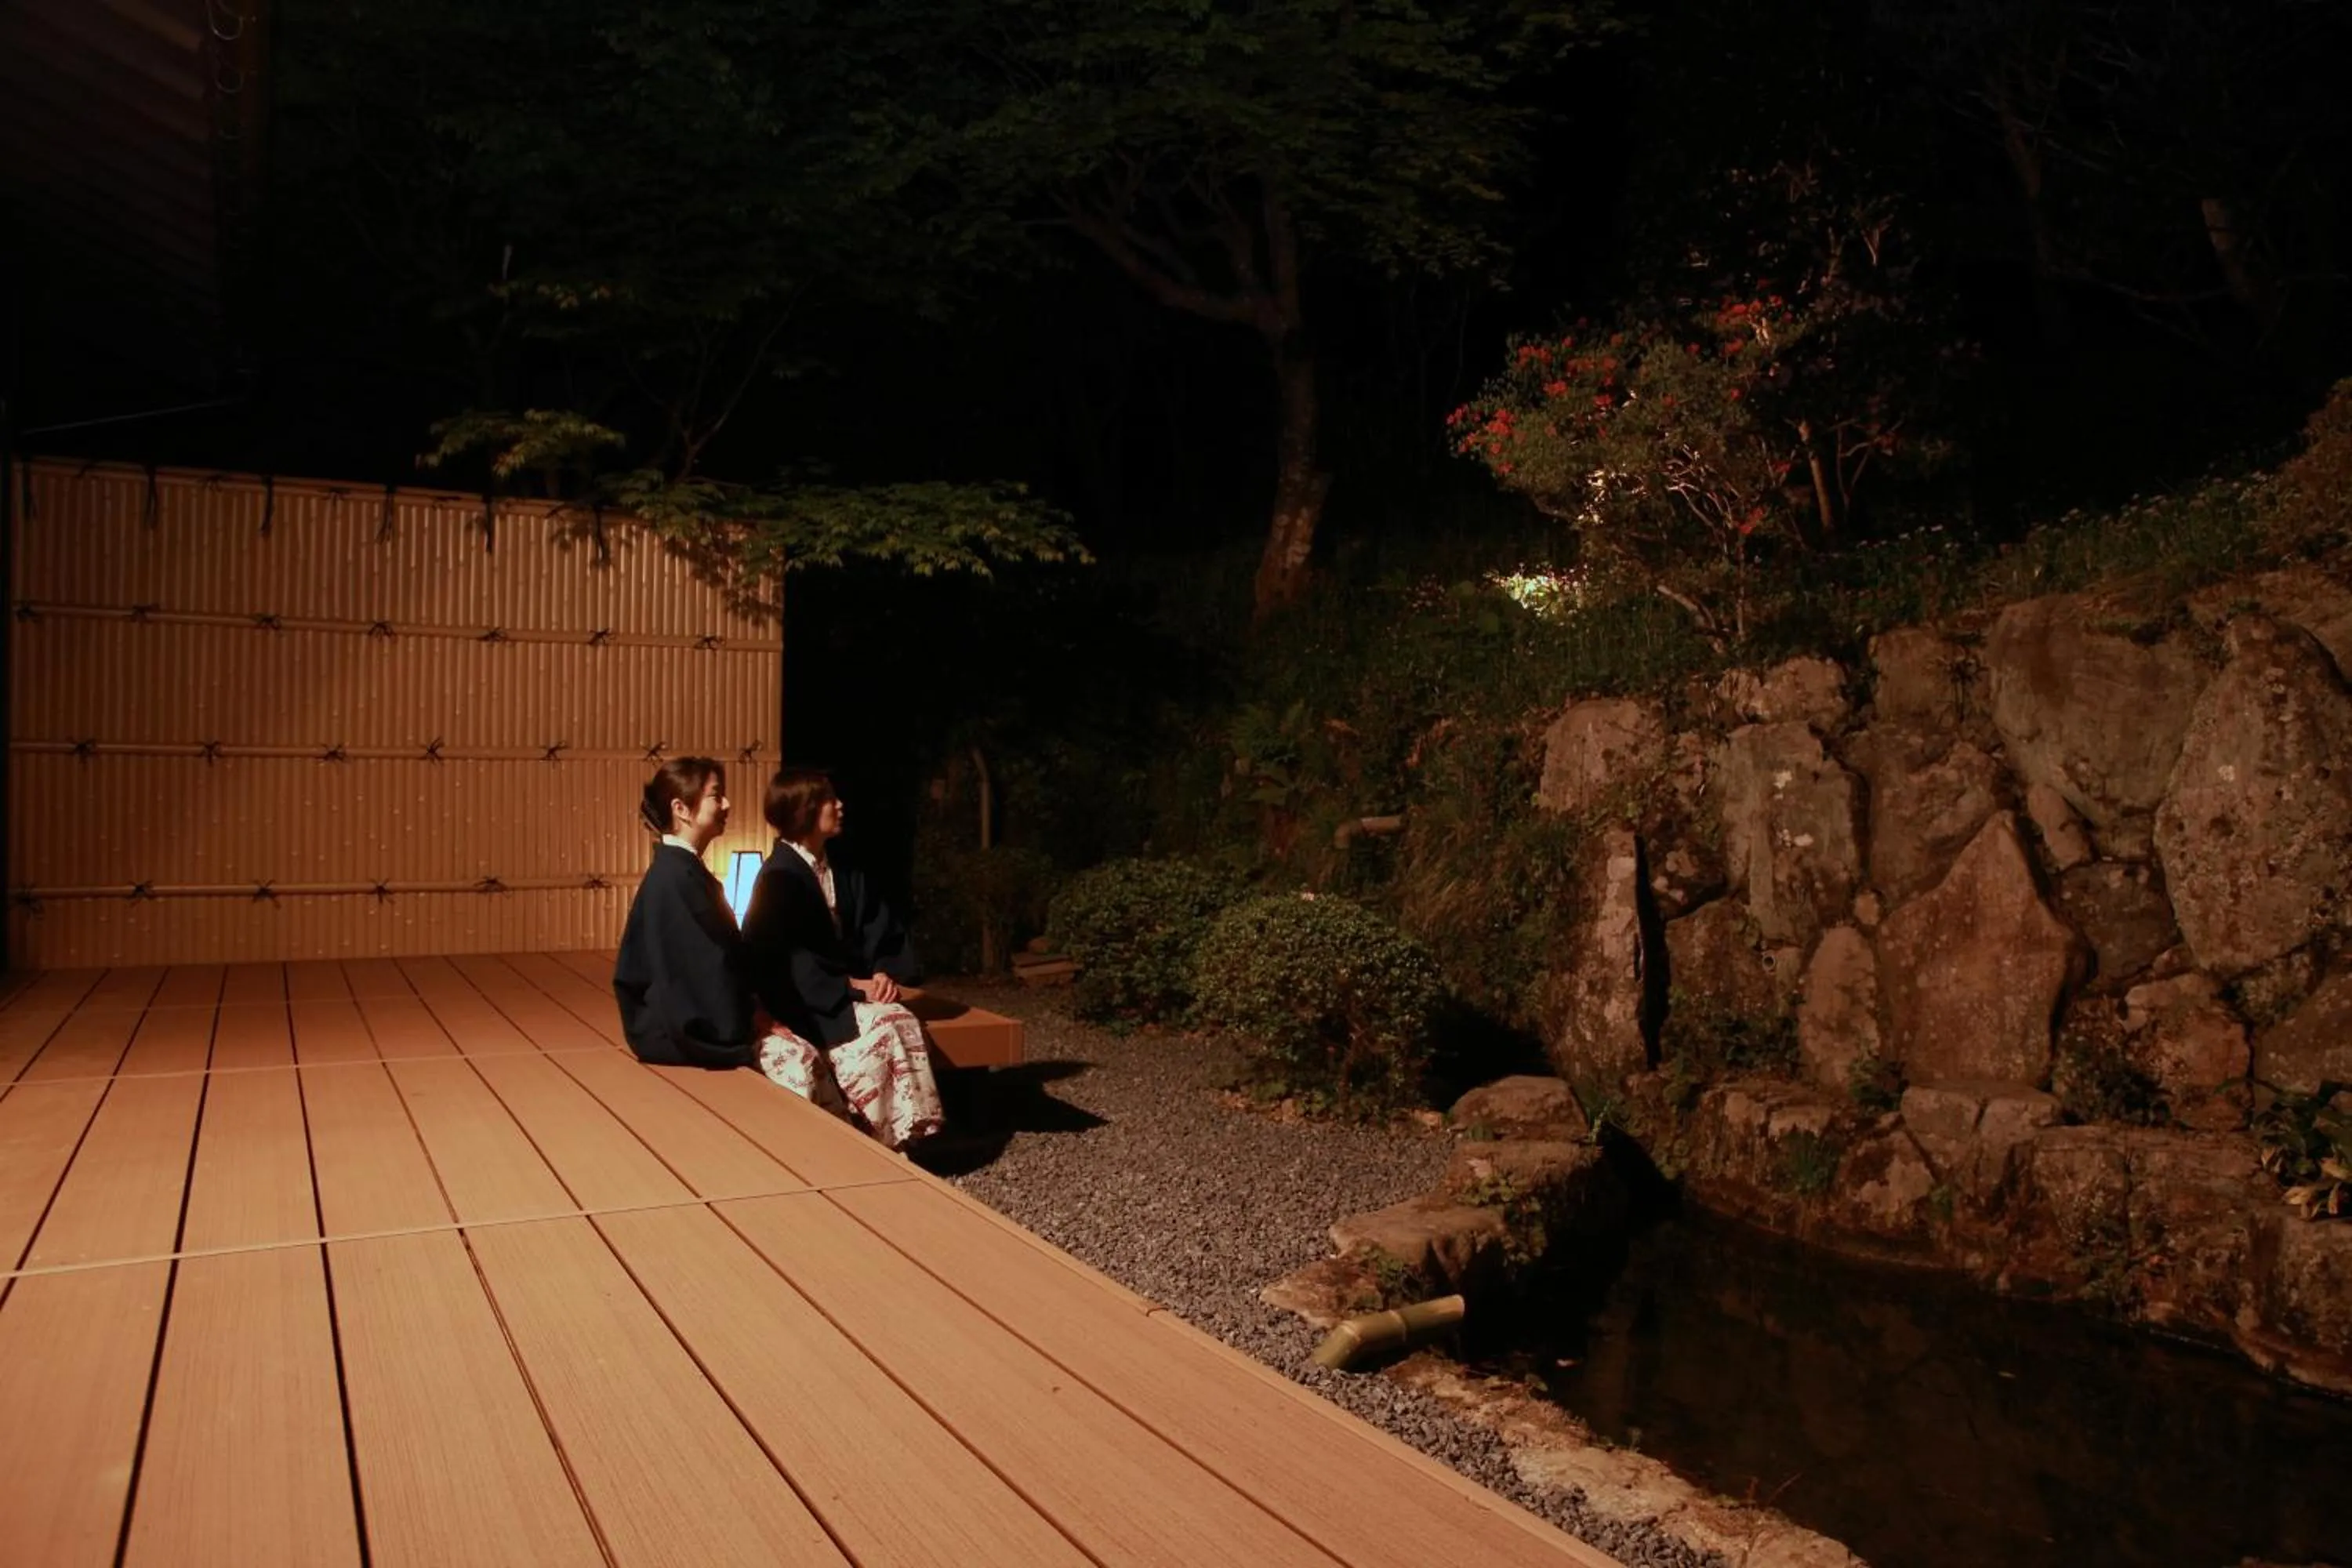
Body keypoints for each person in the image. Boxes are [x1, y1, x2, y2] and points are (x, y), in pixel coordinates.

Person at [741, 767, 945, 1148]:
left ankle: (905, 1133)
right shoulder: (779, 876)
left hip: (840, 991)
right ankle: (877, 1138)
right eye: (829, 800)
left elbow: (876, 927)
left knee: (901, 1020)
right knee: (886, 1030)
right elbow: (783, 961)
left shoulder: (842, 870)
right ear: (805, 810)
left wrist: (883, 972)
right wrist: (852, 988)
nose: (840, 805)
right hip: (804, 1002)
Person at [612, 757, 759, 1069]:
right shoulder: (673, 878)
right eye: (716, 796)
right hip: (679, 1034)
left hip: (691, 1022)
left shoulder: (682, 870)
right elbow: (698, 973)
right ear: (681, 809)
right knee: (800, 1059)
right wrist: (747, 1026)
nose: (727, 804)